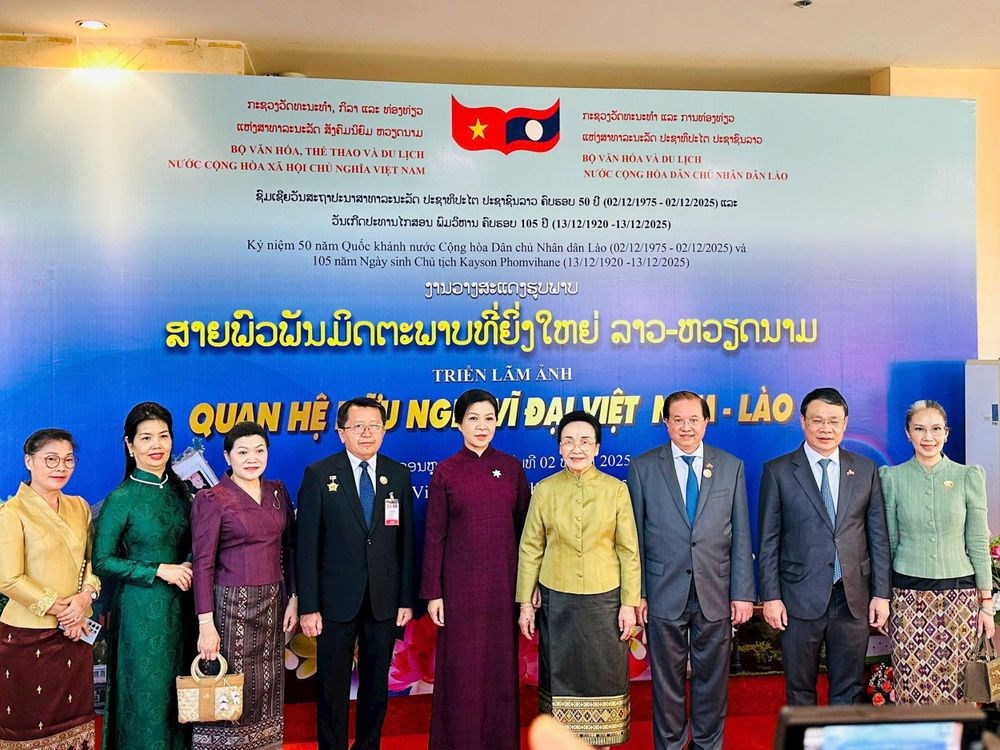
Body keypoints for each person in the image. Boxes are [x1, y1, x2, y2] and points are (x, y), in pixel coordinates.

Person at [626, 391, 755, 750]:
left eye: (694, 419)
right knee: (666, 683)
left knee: (712, 681)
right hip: (662, 590)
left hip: (716, 589)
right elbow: (634, 537)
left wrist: (743, 592)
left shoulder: (730, 466)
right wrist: (638, 593)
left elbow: (741, 533)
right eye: (678, 420)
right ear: (666, 423)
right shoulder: (643, 467)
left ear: (706, 422)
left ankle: (707, 745)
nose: (686, 427)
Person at [757, 387, 891, 706]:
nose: (826, 428)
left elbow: (878, 537)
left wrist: (881, 594)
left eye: (833, 421)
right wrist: (771, 597)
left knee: (849, 688)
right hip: (798, 597)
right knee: (800, 689)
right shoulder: (778, 471)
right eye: (818, 420)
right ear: (803, 422)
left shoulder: (865, 470)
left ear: (845, 423)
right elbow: (768, 540)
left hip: (852, 597)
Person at [295, 396, 416, 750]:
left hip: (384, 599)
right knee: (332, 687)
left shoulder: (397, 474)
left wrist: (406, 599)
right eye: (358, 426)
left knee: (376, 686)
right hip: (334, 602)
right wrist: (309, 606)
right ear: (341, 432)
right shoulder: (319, 474)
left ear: (384, 431)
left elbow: (407, 542)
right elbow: (306, 547)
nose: (367, 433)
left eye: (374, 426)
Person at [517, 410, 641, 749]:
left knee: (604, 678)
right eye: (569, 441)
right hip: (557, 600)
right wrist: (526, 603)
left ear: (597, 447)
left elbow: (628, 550)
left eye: (585, 441)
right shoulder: (545, 490)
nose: (577, 448)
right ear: (559, 447)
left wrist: (629, 604)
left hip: (605, 600)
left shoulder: (616, 490)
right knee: (560, 678)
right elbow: (531, 547)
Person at [420, 388, 531, 750]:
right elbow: (434, 535)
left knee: (500, 672)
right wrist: (434, 593)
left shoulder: (512, 468)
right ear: (458, 424)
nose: (482, 426)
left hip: (503, 588)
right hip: (459, 591)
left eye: (489, 419)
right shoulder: (446, 471)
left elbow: (526, 534)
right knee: (461, 674)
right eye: (473, 418)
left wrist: (527, 589)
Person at [94, 401, 194, 750]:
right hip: (141, 613)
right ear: (130, 444)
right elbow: (102, 561)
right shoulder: (121, 498)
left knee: (180, 699)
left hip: (183, 609)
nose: (156, 445)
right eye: (146, 437)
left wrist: (191, 562)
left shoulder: (182, 492)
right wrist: (158, 570)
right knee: (146, 698)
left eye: (163, 436)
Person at [191, 421, 298, 748]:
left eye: (259, 450)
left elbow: (290, 547)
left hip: (274, 602)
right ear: (227, 457)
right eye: (242, 452)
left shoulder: (277, 491)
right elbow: (202, 564)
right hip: (230, 607)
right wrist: (206, 624)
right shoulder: (211, 499)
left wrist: (293, 598)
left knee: (267, 682)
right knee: (230, 684)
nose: (252, 459)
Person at [880, 399, 994, 703]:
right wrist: (882, 597)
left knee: (958, 688)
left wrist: (986, 604)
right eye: (919, 429)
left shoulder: (968, 476)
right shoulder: (891, 478)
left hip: (960, 599)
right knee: (910, 684)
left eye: (936, 429)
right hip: (907, 597)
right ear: (908, 433)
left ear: (946, 433)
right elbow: (887, 543)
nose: (928, 437)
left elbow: (978, 543)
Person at [0, 428, 101, 748]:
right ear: (29, 461)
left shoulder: (80, 507)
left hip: (76, 632)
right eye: (51, 459)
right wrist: (63, 611)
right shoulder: (12, 512)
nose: (61, 467)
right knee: (28, 722)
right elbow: (8, 579)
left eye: (68, 460)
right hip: (28, 635)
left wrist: (83, 600)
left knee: (76, 721)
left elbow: (92, 563)